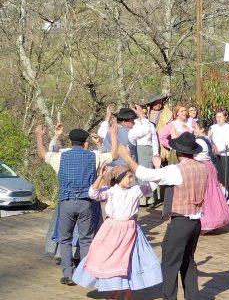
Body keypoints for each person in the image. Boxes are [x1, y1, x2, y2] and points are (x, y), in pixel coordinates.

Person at [118, 133, 207, 300]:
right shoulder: (202, 167)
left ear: (178, 152)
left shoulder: (176, 170)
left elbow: (143, 174)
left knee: (169, 264)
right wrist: (159, 167)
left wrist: (127, 157)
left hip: (180, 221)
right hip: (196, 222)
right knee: (188, 262)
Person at [35, 124, 118, 286]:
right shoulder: (93, 156)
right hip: (86, 202)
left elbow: (41, 153)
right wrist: (112, 134)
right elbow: (114, 155)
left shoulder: (60, 157)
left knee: (65, 239)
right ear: (85, 141)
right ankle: (85, 273)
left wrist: (39, 135)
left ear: (71, 141)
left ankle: (68, 273)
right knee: (87, 239)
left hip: (66, 202)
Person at [72, 165, 162, 300]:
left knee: (129, 261)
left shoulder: (135, 190)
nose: (131, 179)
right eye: (128, 177)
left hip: (130, 230)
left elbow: (151, 186)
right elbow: (93, 193)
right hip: (112, 230)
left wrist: (156, 167)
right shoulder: (111, 191)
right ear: (119, 178)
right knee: (110, 259)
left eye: (131, 176)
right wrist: (101, 177)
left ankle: (127, 293)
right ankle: (116, 291)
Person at [128, 104, 161, 206]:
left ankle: (150, 199)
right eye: (142, 112)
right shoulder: (134, 124)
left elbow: (154, 139)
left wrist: (156, 153)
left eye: (146, 113)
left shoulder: (150, 124)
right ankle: (141, 199)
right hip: (137, 148)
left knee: (149, 172)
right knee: (138, 173)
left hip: (148, 149)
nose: (144, 114)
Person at [209, 108, 229, 204]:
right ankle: (219, 195)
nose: (218, 119)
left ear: (225, 117)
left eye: (221, 116)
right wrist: (213, 149)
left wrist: (219, 150)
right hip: (215, 154)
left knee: (227, 176)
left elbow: (228, 142)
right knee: (217, 175)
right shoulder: (213, 127)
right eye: (217, 117)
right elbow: (210, 139)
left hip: (226, 154)